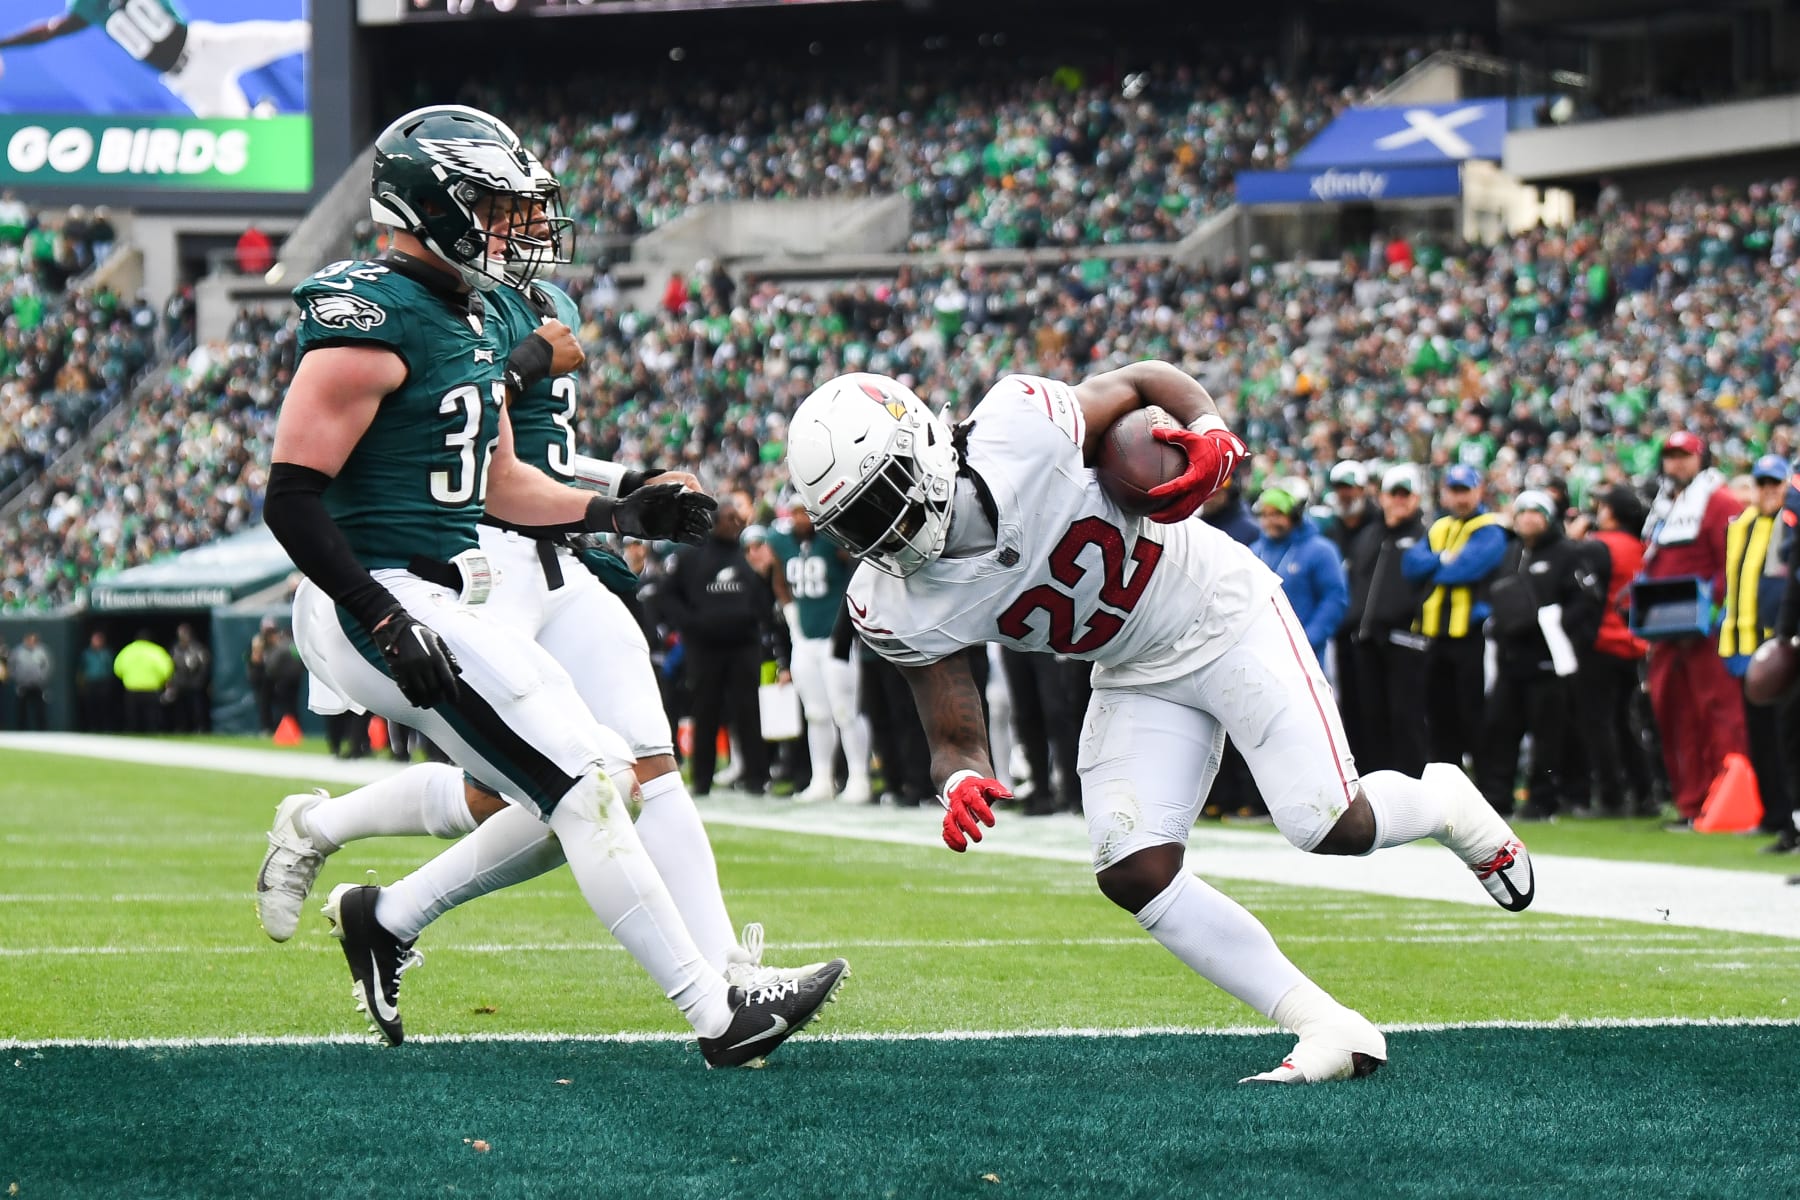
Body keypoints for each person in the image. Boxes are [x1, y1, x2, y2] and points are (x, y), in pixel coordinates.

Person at [255, 104, 843, 1064]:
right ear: (430, 203)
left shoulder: (471, 310)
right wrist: (380, 612)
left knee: (600, 778)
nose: (514, 227)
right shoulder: (371, 313)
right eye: (491, 205)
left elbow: (502, 483)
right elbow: (291, 498)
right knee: (586, 784)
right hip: (379, 593)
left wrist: (623, 512)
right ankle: (718, 1014)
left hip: (446, 583)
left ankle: (385, 909)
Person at [786, 364, 1534, 1084]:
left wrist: (1207, 427)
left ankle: (1447, 805)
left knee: (1327, 822)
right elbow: (950, 723)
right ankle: (1325, 1022)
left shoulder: (1020, 425)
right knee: (1132, 869)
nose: (878, 534)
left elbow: (1142, 381)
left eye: (879, 501)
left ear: (919, 448)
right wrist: (963, 780)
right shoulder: (889, 601)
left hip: (1223, 612)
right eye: (853, 522)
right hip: (1133, 668)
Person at [1640, 431, 1748, 829]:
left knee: (1717, 715)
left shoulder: (1720, 502)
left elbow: (1730, 563)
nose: (1676, 463)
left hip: (1706, 633)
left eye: (1684, 455)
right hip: (1666, 633)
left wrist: (1710, 609)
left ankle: (1728, 802)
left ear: (1701, 458)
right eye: (1670, 456)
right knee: (1674, 717)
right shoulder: (1665, 507)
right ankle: (1690, 804)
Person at [1474, 492, 1604, 819]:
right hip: (1510, 658)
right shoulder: (1511, 552)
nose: (1528, 519)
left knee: (1548, 735)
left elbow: (1587, 601)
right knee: (1499, 729)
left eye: (1536, 512)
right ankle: (1496, 799)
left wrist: (1550, 621)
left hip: (1548, 661)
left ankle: (1541, 801)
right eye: (1522, 513)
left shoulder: (1567, 554)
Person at [657, 490, 776, 797]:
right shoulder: (691, 556)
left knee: (748, 712)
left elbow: (765, 603)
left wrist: (763, 581)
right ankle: (702, 779)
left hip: (743, 646)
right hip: (704, 648)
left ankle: (756, 778)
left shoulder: (747, 555)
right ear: (714, 521)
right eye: (727, 519)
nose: (734, 524)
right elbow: (667, 596)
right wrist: (692, 624)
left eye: (737, 519)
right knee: (705, 713)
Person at [0, 2, 310, 119]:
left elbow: (47, 32)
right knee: (240, 134)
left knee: (292, 36)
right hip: (187, 80)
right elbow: (48, 32)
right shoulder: (86, 7)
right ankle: (262, 115)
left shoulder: (85, 7)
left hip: (203, 45)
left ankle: (346, 29)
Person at [1404, 464, 1507, 768]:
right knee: (1438, 713)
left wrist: (1436, 564)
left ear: (1478, 491)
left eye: (1466, 491)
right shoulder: (1439, 527)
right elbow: (1410, 566)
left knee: (1473, 711)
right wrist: (1443, 559)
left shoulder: (1490, 529)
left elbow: (1462, 570)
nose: (1460, 498)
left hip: (1471, 634)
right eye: (1455, 491)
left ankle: (1487, 785)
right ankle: (1447, 782)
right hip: (1434, 634)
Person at [766, 506, 872, 803]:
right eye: (796, 513)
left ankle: (859, 777)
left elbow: (857, 572)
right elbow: (778, 581)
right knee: (816, 713)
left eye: (805, 512)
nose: (801, 519)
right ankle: (822, 778)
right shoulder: (782, 542)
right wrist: (791, 619)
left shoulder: (834, 538)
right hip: (805, 639)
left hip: (835, 638)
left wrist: (849, 623)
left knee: (845, 710)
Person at [1718, 455, 1796, 847]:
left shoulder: (1789, 524)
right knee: (1760, 738)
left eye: (1774, 483)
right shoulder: (1742, 524)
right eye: (1762, 483)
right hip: (1743, 645)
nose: (1767, 491)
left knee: (1786, 739)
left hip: (1777, 646)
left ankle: (1789, 820)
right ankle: (1773, 814)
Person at [1341, 466, 1432, 775]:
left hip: (1405, 641)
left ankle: (1412, 788)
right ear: (1381, 497)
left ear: (1416, 498)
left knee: (1406, 718)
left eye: (1404, 494)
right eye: (1393, 494)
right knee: (1369, 718)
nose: (1398, 501)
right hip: (1366, 641)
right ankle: (1376, 789)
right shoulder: (1369, 535)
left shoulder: (1424, 535)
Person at [1579, 487, 1656, 815]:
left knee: (1600, 723)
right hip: (1633, 642)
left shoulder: (1600, 545)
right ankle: (1644, 793)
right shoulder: (1642, 547)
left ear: (1612, 513)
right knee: (1627, 723)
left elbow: (1586, 597)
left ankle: (1611, 795)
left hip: (1602, 641)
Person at [1251, 484, 1348, 663]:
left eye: (1277, 514)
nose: (1270, 521)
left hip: (1306, 655)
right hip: (1262, 652)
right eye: (1265, 515)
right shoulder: (1254, 551)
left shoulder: (1321, 550)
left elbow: (1334, 599)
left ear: (1294, 516)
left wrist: (1306, 640)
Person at [114, 630, 172, 733]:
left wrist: (126, 678)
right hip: (151, 688)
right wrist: (162, 680)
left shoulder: (127, 650)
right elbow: (167, 668)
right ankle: (152, 732)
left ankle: (133, 733)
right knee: (151, 716)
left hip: (132, 688)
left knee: (132, 716)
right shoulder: (156, 651)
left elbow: (117, 668)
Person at [169, 624, 211, 734]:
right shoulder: (175, 649)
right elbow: (171, 666)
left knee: (197, 708)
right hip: (180, 683)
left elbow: (204, 665)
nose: (183, 636)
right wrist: (172, 682)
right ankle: (181, 728)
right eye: (181, 633)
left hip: (194, 684)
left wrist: (199, 681)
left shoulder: (198, 648)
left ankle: (199, 728)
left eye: (185, 633)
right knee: (180, 709)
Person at [10, 631, 51, 731]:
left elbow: (47, 665)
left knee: (40, 709)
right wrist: (17, 677)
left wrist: (42, 677)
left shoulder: (41, 651)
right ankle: (21, 730)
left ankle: (42, 730)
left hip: (37, 684)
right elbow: (11, 666)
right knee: (21, 709)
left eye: (33, 640)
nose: (31, 642)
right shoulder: (17, 651)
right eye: (29, 640)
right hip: (23, 684)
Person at [77, 631, 116, 733]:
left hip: (103, 682)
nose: (96, 642)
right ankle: (92, 728)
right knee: (91, 706)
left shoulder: (107, 653)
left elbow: (110, 667)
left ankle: (105, 728)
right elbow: (81, 669)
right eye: (95, 640)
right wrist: (81, 684)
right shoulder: (86, 654)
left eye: (99, 640)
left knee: (104, 706)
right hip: (91, 682)